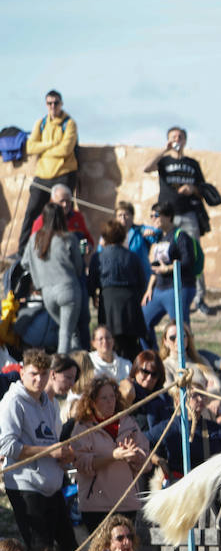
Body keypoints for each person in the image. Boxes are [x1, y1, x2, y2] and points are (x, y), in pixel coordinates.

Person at [0, 350, 77, 551]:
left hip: (51, 485)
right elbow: (8, 446)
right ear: (22, 372)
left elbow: (50, 443)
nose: (39, 379)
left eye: (43, 374)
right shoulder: (12, 402)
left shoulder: (50, 403)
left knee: (69, 545)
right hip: (26, 486)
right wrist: (50, 451)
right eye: (34, 373)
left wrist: (63, 455)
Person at [143, 126, 210, 315]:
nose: (177, 139)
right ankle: (160, 291)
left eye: (180, 137)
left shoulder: (192, 163)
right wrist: (164, 150)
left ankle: (199, 297)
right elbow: (146, 168)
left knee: (193, 253)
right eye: (173, 137)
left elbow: (203, 188)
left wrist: (193, 189)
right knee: (160, 251)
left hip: (188, 213)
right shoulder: (163, 161)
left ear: (185, 141)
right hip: (165, 216)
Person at [71, 375, 149, 531]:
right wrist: (114, 456)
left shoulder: (129, 423)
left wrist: (135, 456)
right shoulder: (83, 427)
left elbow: (145, 460)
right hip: (97, 506)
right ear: (92, 402)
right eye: (104, 398)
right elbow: (81, 463)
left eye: (112, 396)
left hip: (127, 503)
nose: (110, 401)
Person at [17, 90, 79, 251]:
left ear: (61, 104)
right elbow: (30, 147)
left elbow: (66, 149)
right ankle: (23, 250)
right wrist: (52, 144)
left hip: (63, 174)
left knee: (63, 212)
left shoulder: (69, 123)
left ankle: (66, 248)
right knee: (32, 212)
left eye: (56, 103)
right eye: (49, 103)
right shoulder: (41, 123)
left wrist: (43, 149)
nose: (53, 106)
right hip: (43, 175)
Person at [21, 202, 85, 353]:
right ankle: (62, 367)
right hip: (68, 289)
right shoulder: (68, 238)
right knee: (65, 333)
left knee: (70, 331)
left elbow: (24, 263)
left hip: (47, 293)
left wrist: (39, 270)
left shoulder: (34, 239)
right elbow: (79, 268)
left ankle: (79, 364)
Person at [149, 373, 221, 479]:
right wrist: (158, 460)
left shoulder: (216, 429)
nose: (200, 399)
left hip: (207, 484)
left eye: (201, 395)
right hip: (178, 485)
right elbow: (144, 443)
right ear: (179, 401)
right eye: (194, 396)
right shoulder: (169, 427)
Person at [90, 221, 148, 361]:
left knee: (109, 340)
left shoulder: (98, 257)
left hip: (109, 302)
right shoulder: (132, 256)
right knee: (130, 344)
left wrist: (93, 295)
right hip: (130, 302)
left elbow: (92, 280)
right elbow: (142, 281)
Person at [140, 204, 198, 333]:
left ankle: (187, 353)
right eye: (151, 216)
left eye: (156, 216)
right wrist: (149, 289)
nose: (152, 219)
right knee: (142, 322)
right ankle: (153, 352)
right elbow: (155, 266)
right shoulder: (159, 238)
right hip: (159, 289)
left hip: (178, 287)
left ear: (168, 216)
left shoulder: (181, 236)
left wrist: (168, 269)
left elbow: (188, 262)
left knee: (180, 329)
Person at [120, 350, 174, 436]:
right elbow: (125, 393)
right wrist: (127, 385)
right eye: (145, 372)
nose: (149, 378)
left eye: (154, 374)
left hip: (160, 444)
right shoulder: (130, 392)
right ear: (136, 369)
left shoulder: (164, 397)